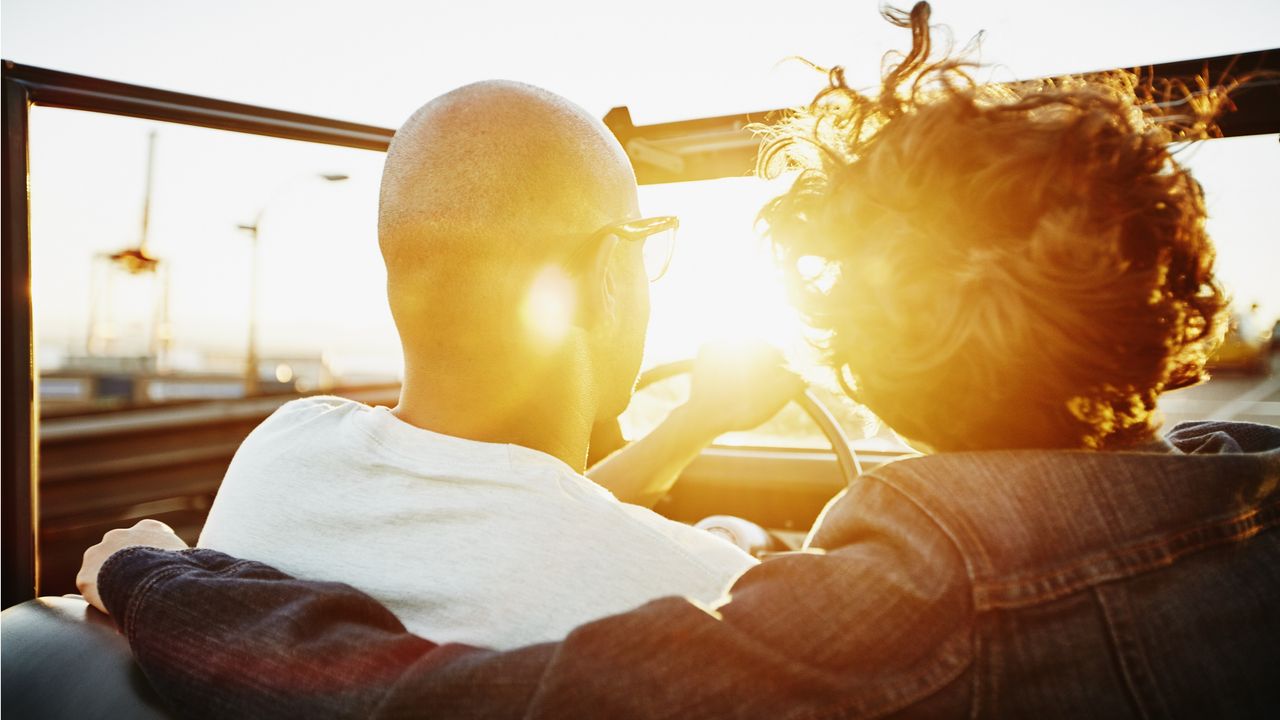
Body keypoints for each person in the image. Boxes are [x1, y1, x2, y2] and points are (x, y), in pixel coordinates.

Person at [77, 2, 1280, 717]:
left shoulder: (282, 453)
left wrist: (155, 572)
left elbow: (411, 702)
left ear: (862, 349)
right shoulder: (1251, 507)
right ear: (1174, 307)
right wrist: (687, 437)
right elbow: (544, 533)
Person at [177, 78, 803, 650]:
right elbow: (533, 526)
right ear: (607, 274)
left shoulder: (280, 453)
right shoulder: (707, 597)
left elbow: (498, 522)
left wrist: (694, 423)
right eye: (643, 246)